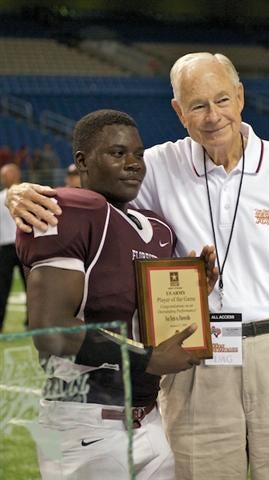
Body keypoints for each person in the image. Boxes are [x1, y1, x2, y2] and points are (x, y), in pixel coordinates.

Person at [7, 53, 269, 480]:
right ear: (177, 110)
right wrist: (17, 192)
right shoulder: (154, 166)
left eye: (222, 99)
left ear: (240, 97)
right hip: (195, 355)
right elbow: (93, 186)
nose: (212, 116)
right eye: (198, 104)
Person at [15, 109, 217, 480]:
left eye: (138, 154)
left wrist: (192, 297)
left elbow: (140, 315)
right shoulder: (68, 210)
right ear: (82, 161)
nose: (133, 164)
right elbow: (52, 332)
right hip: (82, 422)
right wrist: (147, 359)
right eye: (117, 153)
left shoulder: (156, 229)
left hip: (149, 418)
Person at [0, 163, 27, 331]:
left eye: (7, 174)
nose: (5, 177)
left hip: (25, 246)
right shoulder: (0, 197)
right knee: (2, 287)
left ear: (16, 175)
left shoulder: (28, 195)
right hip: (5, 248)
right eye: (3, 175)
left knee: (32, 287)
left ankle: (33, 322)